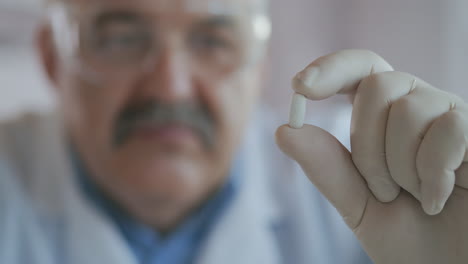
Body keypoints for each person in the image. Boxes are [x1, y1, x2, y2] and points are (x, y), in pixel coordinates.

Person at [1, 0, 467, 264]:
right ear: (52, 58)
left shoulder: (373, 180)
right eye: (122, 38)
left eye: (212, 41)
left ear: (259, 66)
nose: (170, 87)